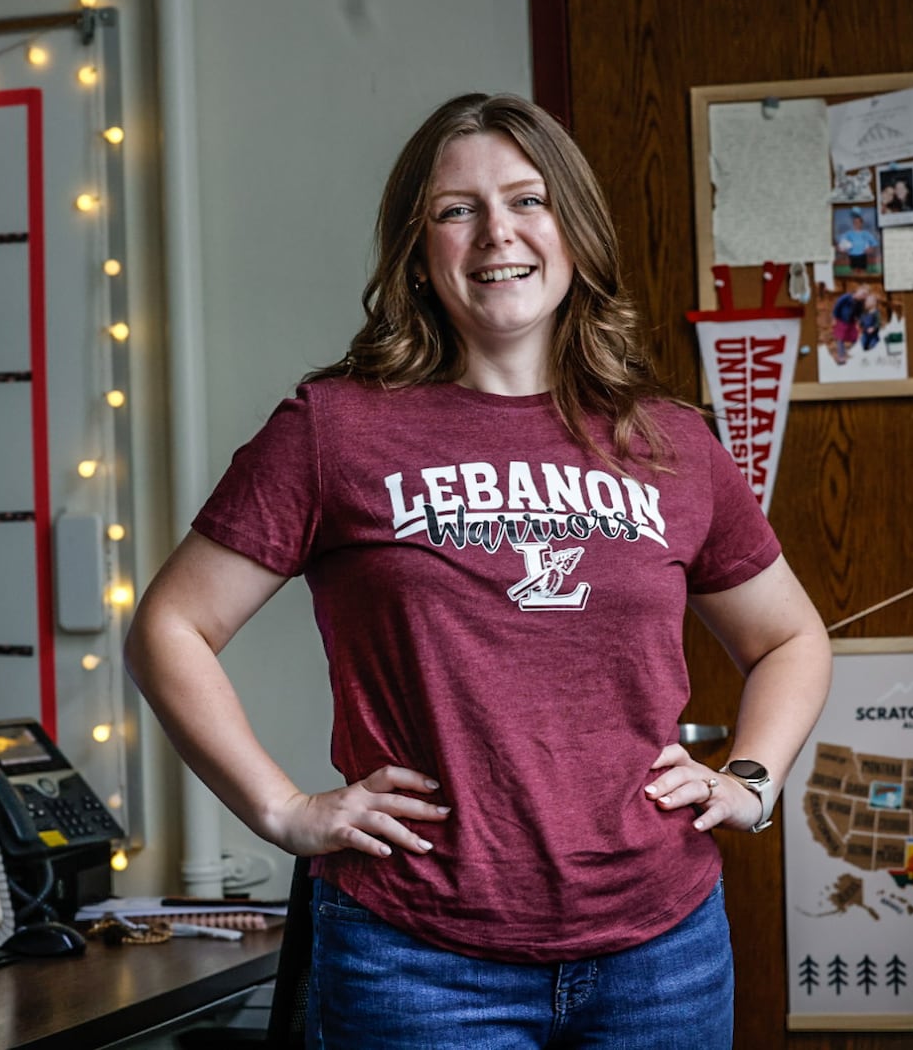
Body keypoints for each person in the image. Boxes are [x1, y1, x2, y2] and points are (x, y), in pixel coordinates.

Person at [125, 93, 831, 1049]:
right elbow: (171, 627)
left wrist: (751, 780)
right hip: (416, 958)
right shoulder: (336, 430)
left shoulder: (672, 442)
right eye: (457, 210)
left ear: (574, 229)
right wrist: (283, 810)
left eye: (528, 200)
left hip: (661, 952)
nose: (498, 232)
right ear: (420, 250)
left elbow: (789, 636)